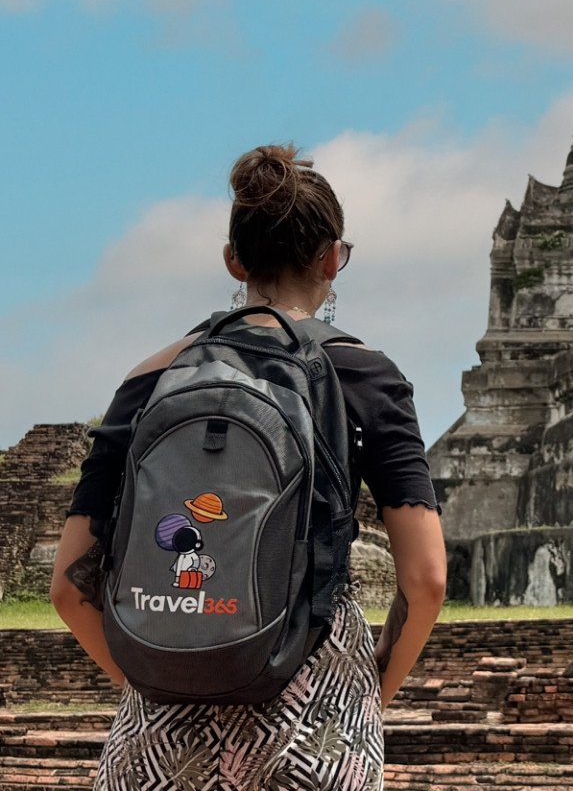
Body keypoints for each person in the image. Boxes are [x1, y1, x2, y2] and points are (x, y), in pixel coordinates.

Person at [50, 145, 447, 790]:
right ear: (331, 259)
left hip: (159, 737)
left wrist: (161, 684)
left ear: (233, 259)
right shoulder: (368, 375)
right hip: (316, 723)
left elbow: (70, 589)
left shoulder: (150, 378)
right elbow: (425, 580)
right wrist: (367, 700)